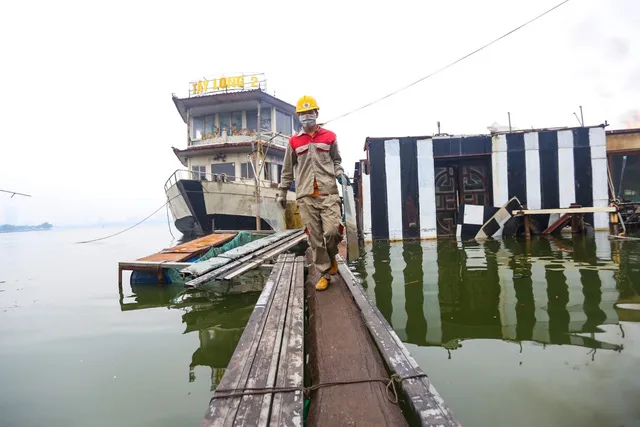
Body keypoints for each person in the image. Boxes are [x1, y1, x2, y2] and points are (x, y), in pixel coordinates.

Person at [276, 95, 349, 291]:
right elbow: (287, 171)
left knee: (333, 231)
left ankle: (332, 256)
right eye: (303, 114)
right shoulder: (293, 142)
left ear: (317, 114)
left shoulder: (330, 136)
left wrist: (340, 174)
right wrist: (282, 193)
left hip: (328, 194)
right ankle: (325, 273)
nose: (307, 117)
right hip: (305, 196)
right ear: (298, 116)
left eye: (310, 113)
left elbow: (336, 161)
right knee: (315, 239)